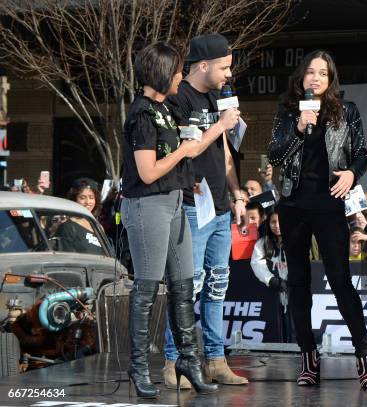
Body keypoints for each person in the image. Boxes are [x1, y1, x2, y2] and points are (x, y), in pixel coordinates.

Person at [268, 50, 367, 389]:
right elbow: (274, 154)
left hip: (330, 203)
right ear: (301, 78)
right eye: (310, 72)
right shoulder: (288, 112)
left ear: (330, 80)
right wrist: (300, 128)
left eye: (322, 73)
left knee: (340, 280)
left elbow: (362, 154)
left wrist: (352, 175)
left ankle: (364, 357)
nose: (315, 78)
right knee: (299, 283)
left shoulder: (347, 111)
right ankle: (308, 358)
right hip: (293, 205)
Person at [120, 42, 217, 398]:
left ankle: (189, 360)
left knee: (183, 285)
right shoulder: (142, 115)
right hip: (148, 205)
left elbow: (165, 164)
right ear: (163, 73)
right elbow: (146, 173)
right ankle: (139, 365)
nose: (181, 76)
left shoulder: (162, 109)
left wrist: (184, 173)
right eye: (177, 71)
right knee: (146, 289)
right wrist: (183, 151)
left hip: (175, 201)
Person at [163, 33, 248, 387]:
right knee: (188, 286)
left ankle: (215, 358)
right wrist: (220, 124)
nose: (229, 74)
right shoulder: (179, 98)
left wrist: (237, 193)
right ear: (203, 65)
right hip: (193, 205)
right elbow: (191, 149)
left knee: (217, 285)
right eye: (224, 67)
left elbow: (225, 152)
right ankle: (173, 362)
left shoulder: (219, 97)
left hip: (221, 205)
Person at [250, 210, 292, 343]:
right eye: (273, 222)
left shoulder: (297, 239)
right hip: (273, 291)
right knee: (277, 324)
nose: (277, 225)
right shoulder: (263, 242)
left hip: (295, 289)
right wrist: (272, 280)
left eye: (281, 221)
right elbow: (257, 264)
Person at [54, 178, 104, 255]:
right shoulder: (68, 227)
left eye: (91, 197)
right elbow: (66, 260)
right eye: (82, 198)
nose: (87, 202)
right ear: (74, 199)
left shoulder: (98, 226)